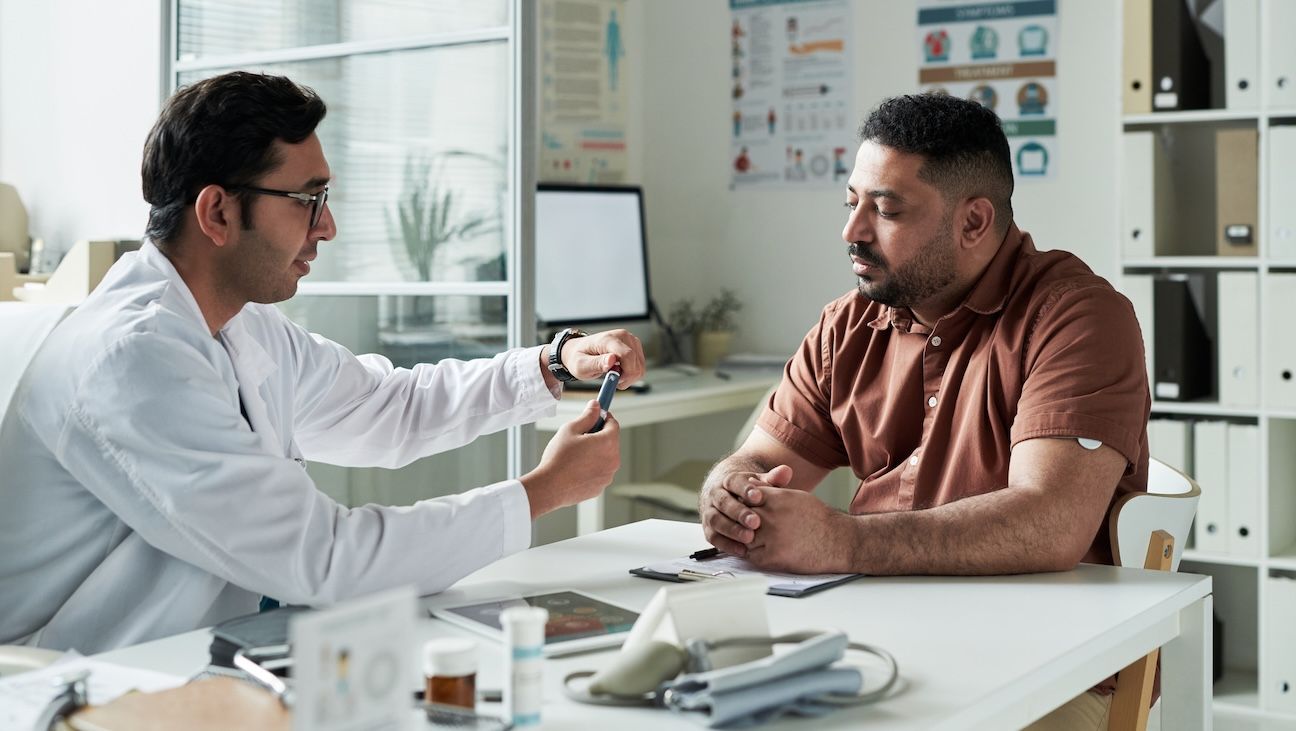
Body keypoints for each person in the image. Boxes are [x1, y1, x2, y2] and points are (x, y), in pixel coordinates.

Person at [0, 71, 645, 654]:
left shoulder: (239, 323)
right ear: (218, 212)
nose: (327, 226)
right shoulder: (132, 358)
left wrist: (554, 362)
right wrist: (544, 491)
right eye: (306, 200)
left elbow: (386, 407)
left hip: (202, 658)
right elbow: (325, 558)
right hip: (90, 687)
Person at [699, 93, 1149, 729]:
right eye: (851, 203)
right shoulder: (846, 325)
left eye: (886, 210)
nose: (853, 231)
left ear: (973, 222)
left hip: (1042, 659)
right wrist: (730, 493)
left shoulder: (1077, 318)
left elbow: (1051, 521)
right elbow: (759, 461)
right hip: (875, 636)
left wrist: (839, 541)